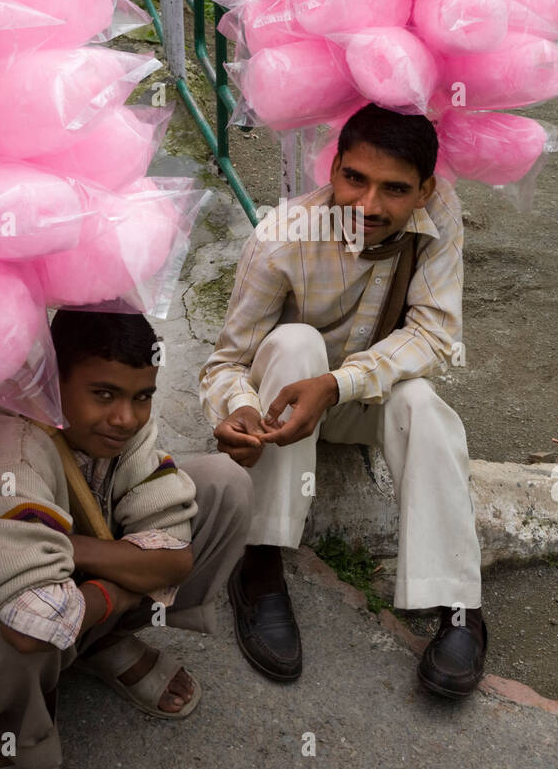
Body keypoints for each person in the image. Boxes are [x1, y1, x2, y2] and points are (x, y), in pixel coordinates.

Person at [0, 310, 252, 769]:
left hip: (67, 578)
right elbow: (29, 627)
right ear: (51, 382)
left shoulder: (121, 426)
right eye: (104, 394)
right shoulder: (7, 451)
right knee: (5, 616)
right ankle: (8, 728)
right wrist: (133, 584)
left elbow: (176, 556)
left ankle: (94, 641)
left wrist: (72, 547)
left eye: (142, 395)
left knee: (225, 483)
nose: (127, 418)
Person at [200, 103, 485, 700]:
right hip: (283, 412)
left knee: (424, 404)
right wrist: (241, 410)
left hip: (359, 400)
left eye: (395, 189)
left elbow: (435, 333)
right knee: (296, 340)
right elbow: (225, 364)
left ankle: (457, 603)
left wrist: (338, 384)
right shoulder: (280, 236)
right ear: (332, 168)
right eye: (355, 178)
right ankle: (261, 561)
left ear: (425, 190)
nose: (369, 206)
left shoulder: (442, 216)